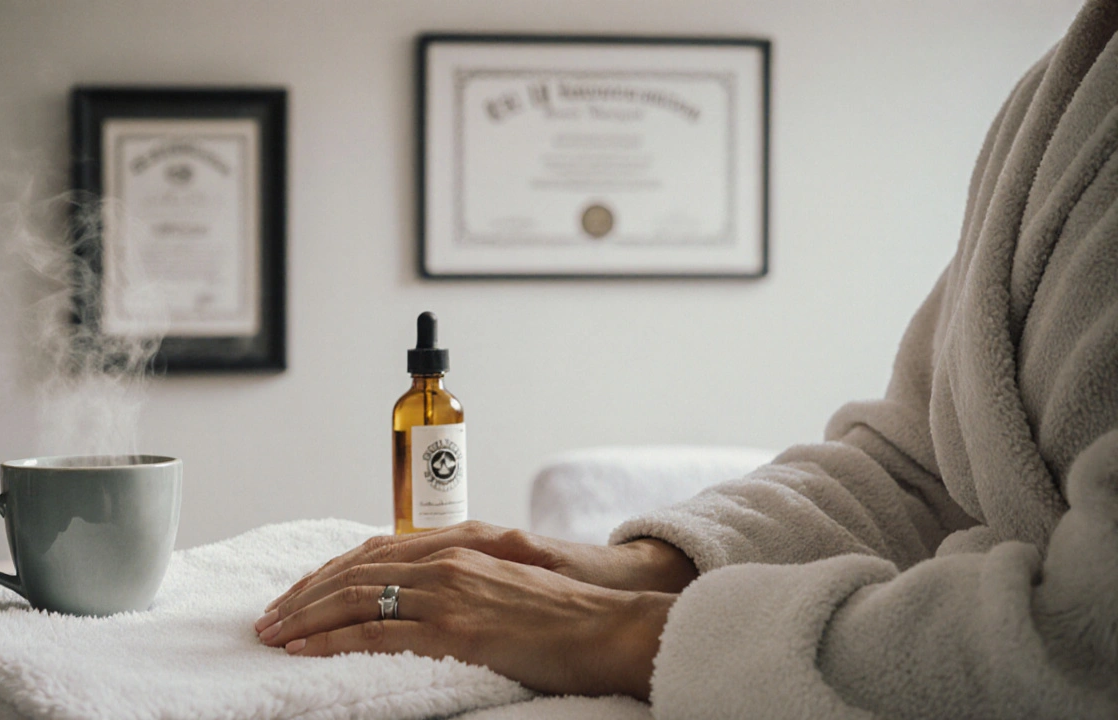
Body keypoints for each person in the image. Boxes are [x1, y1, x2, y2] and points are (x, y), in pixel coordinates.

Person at [256, 2, 1118, 716]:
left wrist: (616, 630)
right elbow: (914, 466)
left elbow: (1090, 638)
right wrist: (645, 568)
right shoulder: (1062, 89)